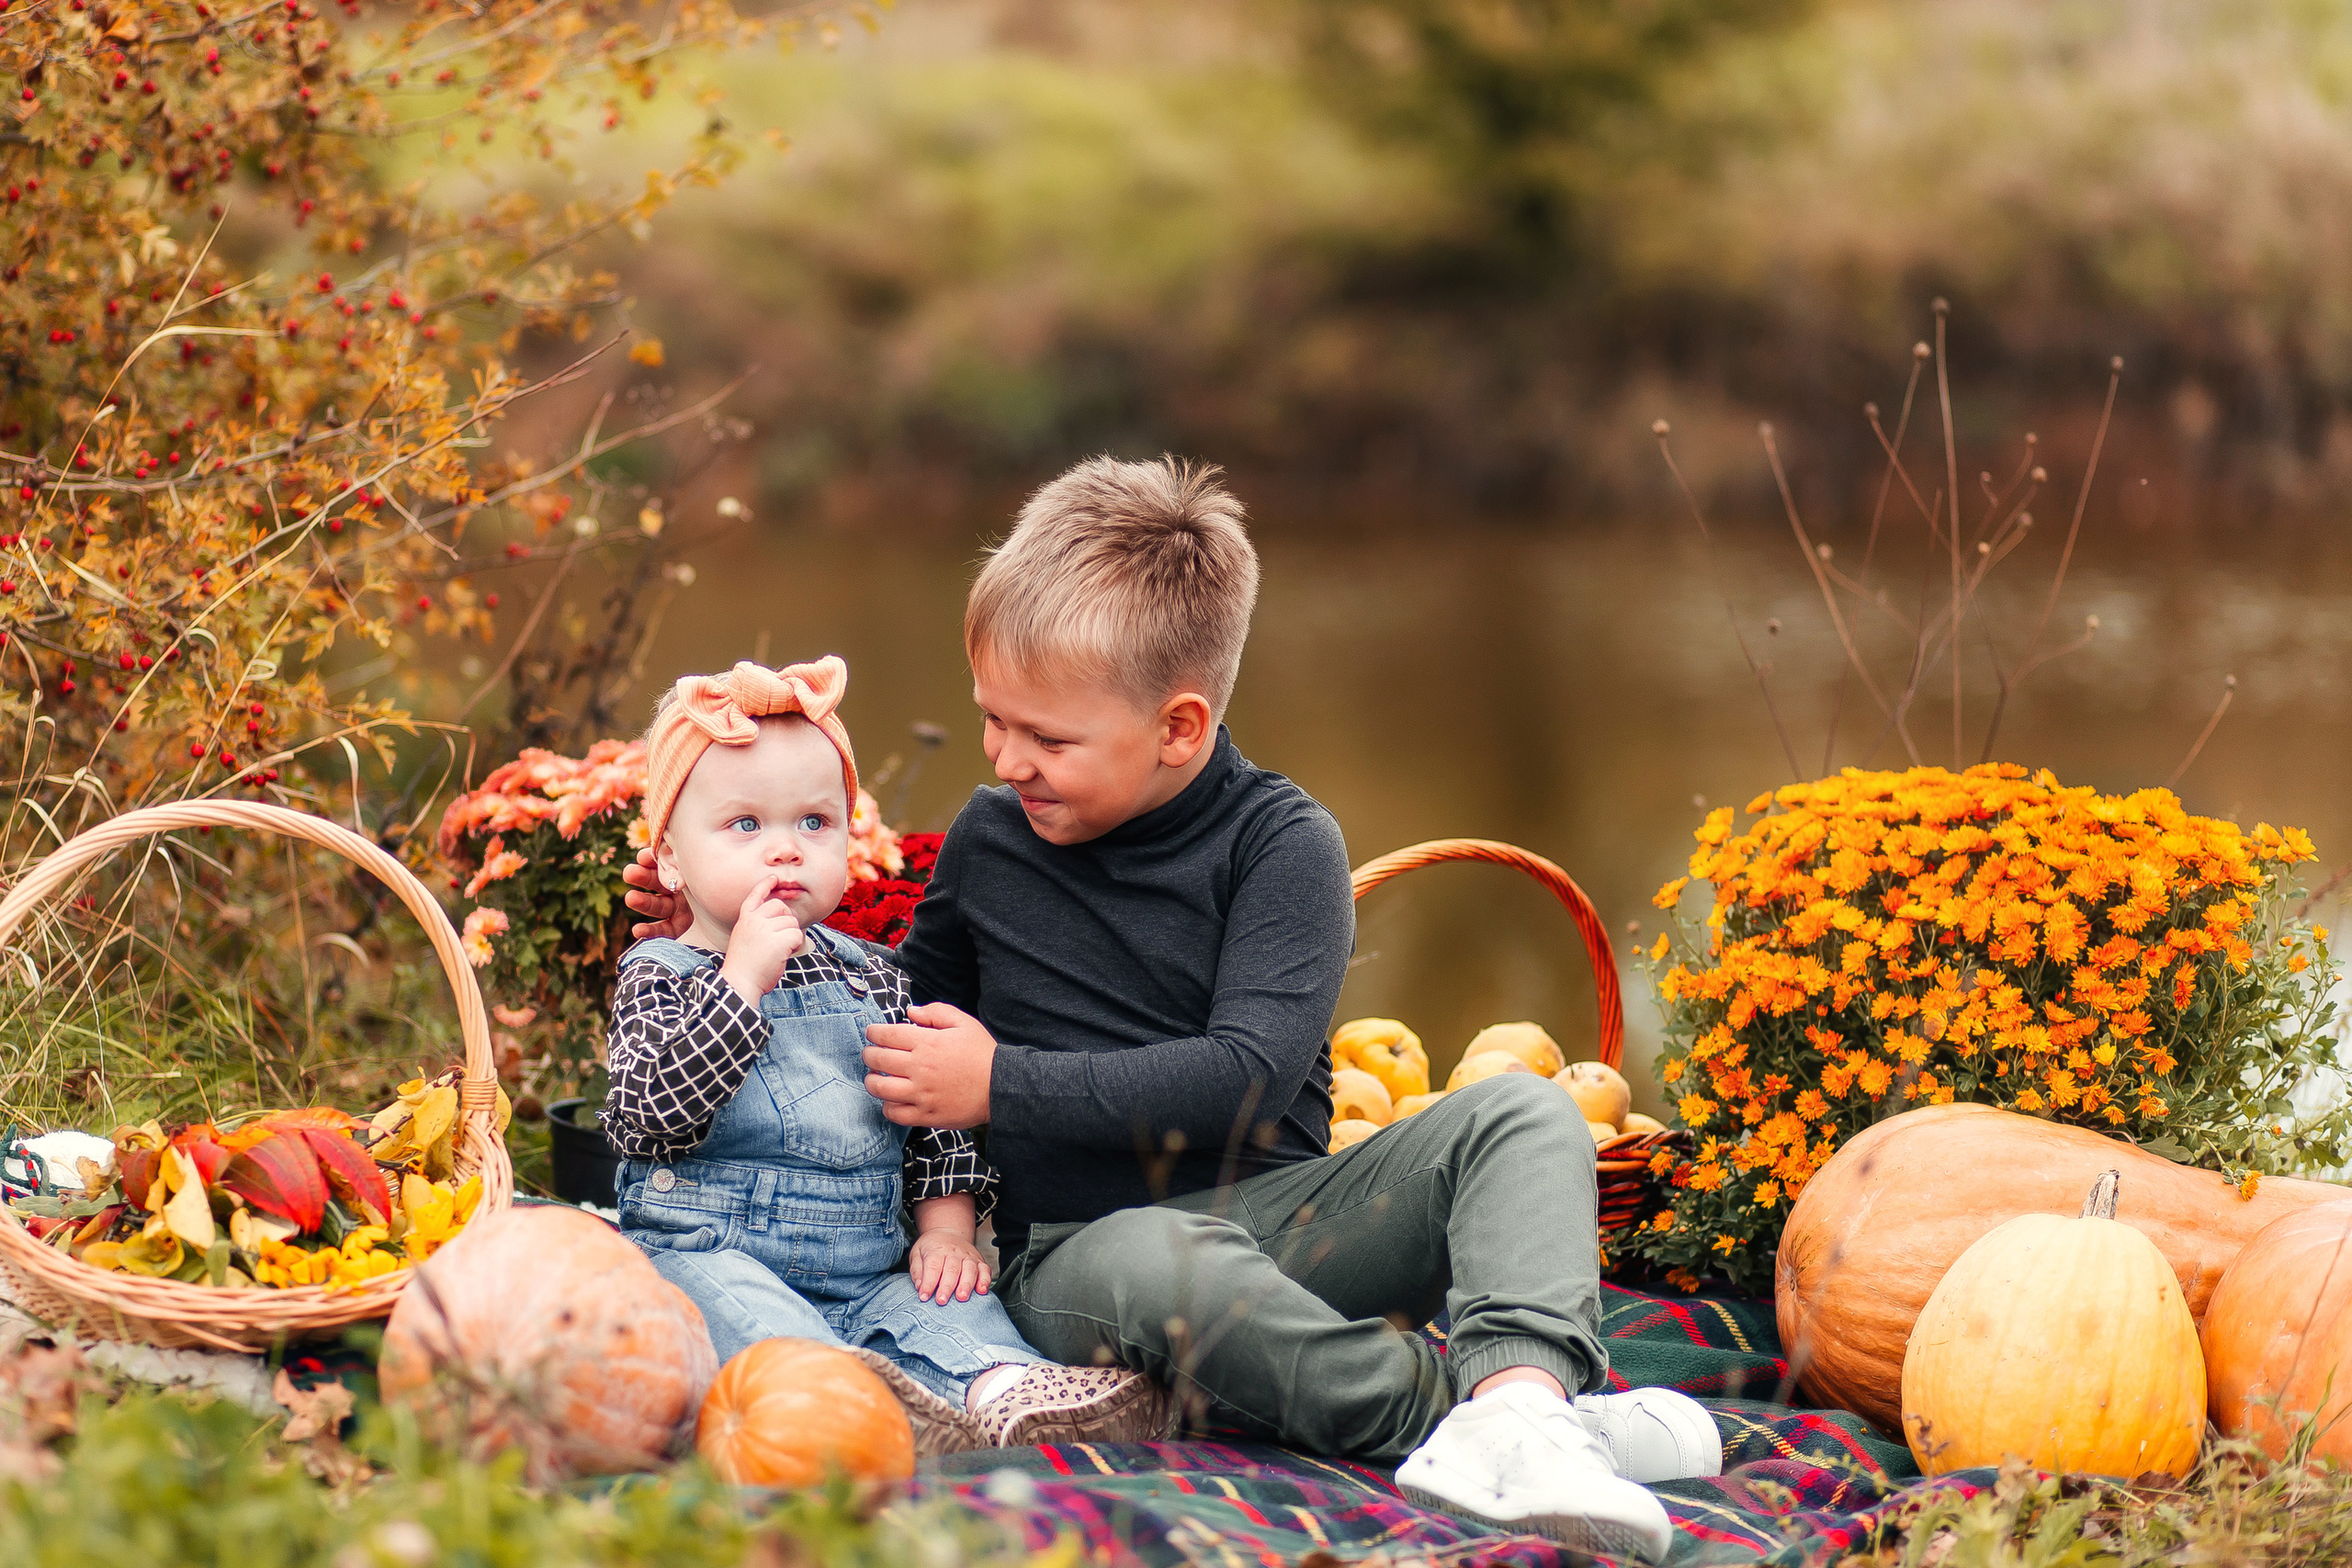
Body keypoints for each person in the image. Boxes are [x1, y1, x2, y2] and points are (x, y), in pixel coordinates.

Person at [626, 461, 1715, 1562]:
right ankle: (1474, 1414)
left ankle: (1523, 1395)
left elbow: (1247, 1072)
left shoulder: (1283, 846)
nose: (1006, 761)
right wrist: (717, 921)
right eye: (992, 722)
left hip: (1285, 1214)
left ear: (1179, 728)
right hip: (1078, 1256)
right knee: (1161, 1258)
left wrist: (1002, 1082)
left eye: (1047, 740)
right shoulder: (991, 839)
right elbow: (901, 1000)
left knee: (1524, 1119)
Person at [604, 654, 1166, 1455]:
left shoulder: (873, 973)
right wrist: (742, 983)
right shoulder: (659, 976)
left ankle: (1011, 1389)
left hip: (867, 1265)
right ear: (669, 859)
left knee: (945, 1305)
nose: (785, 851)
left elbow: (931, 1112)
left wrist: (943, 1229)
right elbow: (647, 1116)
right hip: (707, 1250)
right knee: (742, 1323)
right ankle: (852, 1407)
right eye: (744, 825)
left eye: (813, 823)